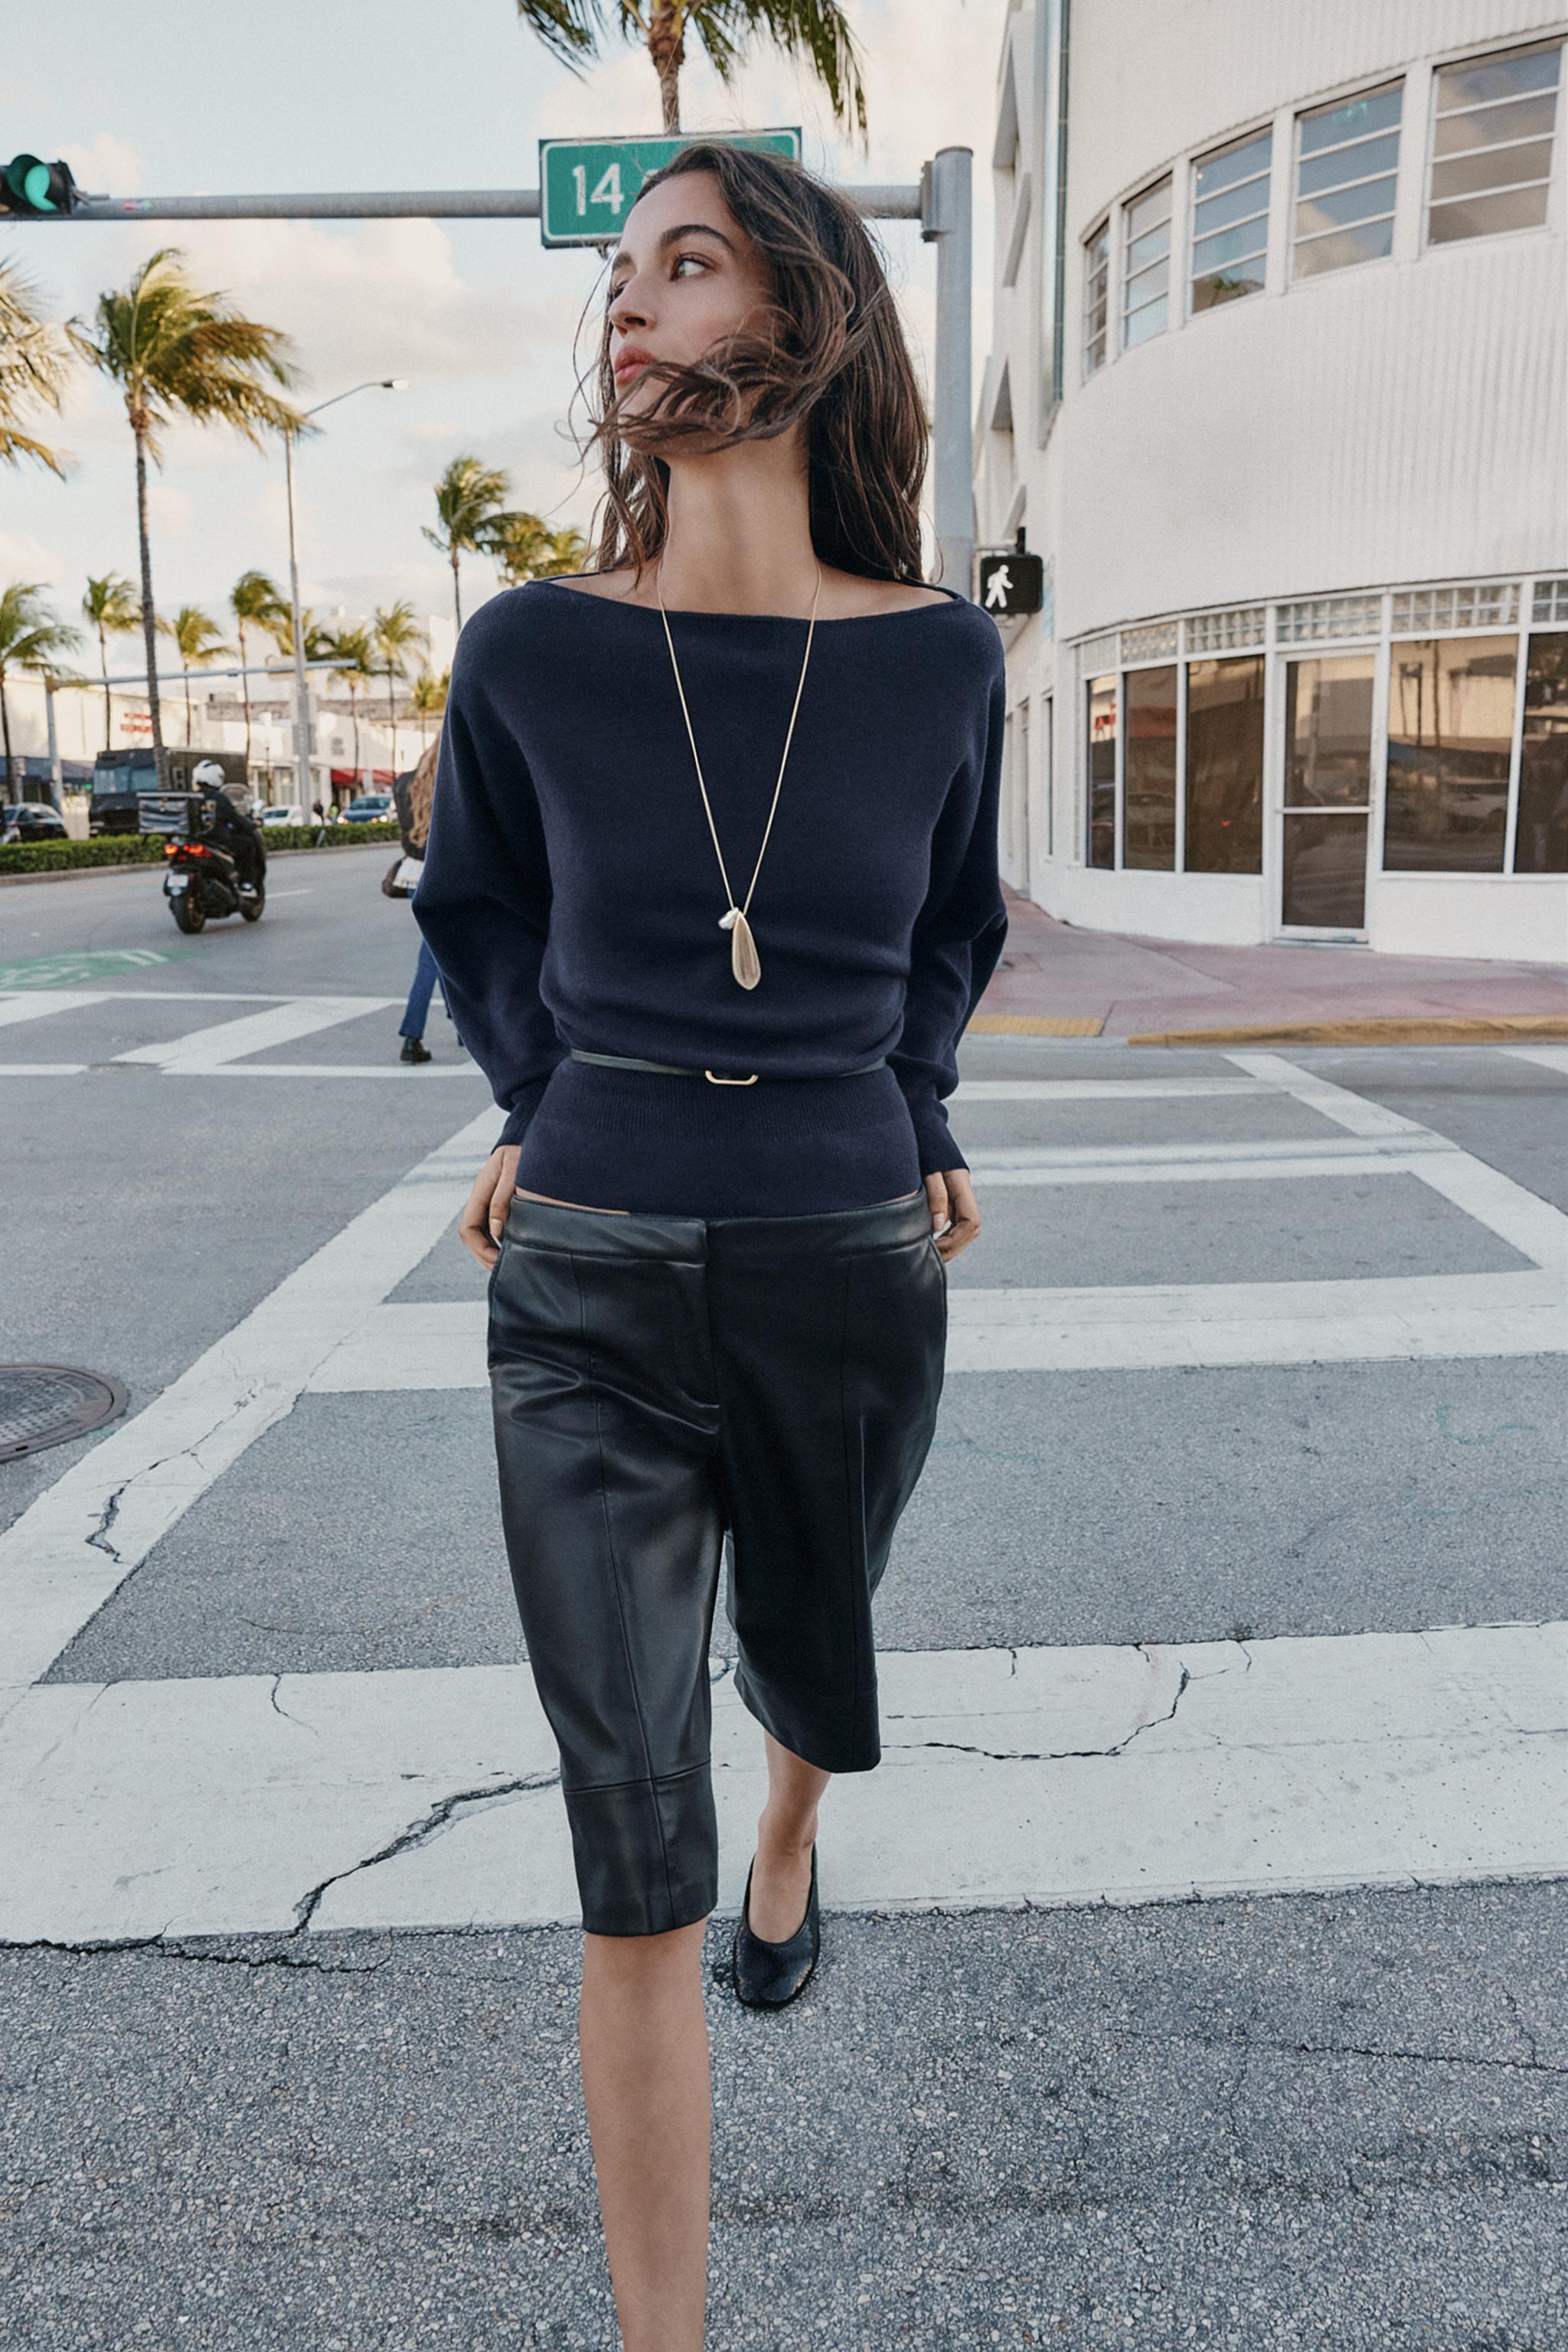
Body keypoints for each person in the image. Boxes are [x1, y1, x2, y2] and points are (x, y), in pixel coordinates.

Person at [413, 141, 1006, 2352]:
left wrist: (924, 1109)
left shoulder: (943, 662)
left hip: (851, 1238)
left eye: (691, 264)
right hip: (581, 1269)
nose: (632, 305)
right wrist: (528, 1105)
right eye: (621, 276)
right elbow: (479, 912)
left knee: (819, 1652)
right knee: (624, 1849)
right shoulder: (535, 653)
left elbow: (948, 925)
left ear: (808, 316)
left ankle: (800, 1831)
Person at [390, 746, 450, 1064]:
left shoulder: (403, 783)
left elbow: (404, 833)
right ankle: (412, 1037)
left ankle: (460, 1026)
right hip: (445, 874)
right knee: (432, 956)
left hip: (414, 873)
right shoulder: (453, 780)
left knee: (441, 949)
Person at [191, 760, 266, 894]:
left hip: (194, 841)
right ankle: (246, 883)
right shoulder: (218, 799)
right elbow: (236, 820)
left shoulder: (191, 798)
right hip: (218, 841)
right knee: (247, 844)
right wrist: (253, 824)